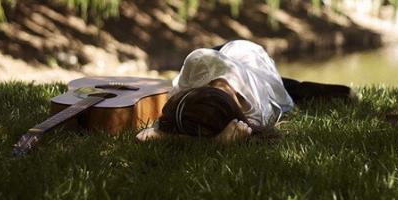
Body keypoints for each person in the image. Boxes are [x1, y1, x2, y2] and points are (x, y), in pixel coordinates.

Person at [136, 40, 356, 143]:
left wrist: (213, 142)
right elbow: (143, 137)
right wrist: (214, 141)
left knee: (290, 93)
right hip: (222, 54)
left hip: (254, 63)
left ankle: (342, 92)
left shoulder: (258, 113)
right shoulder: (198, 62)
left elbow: (150, 137)